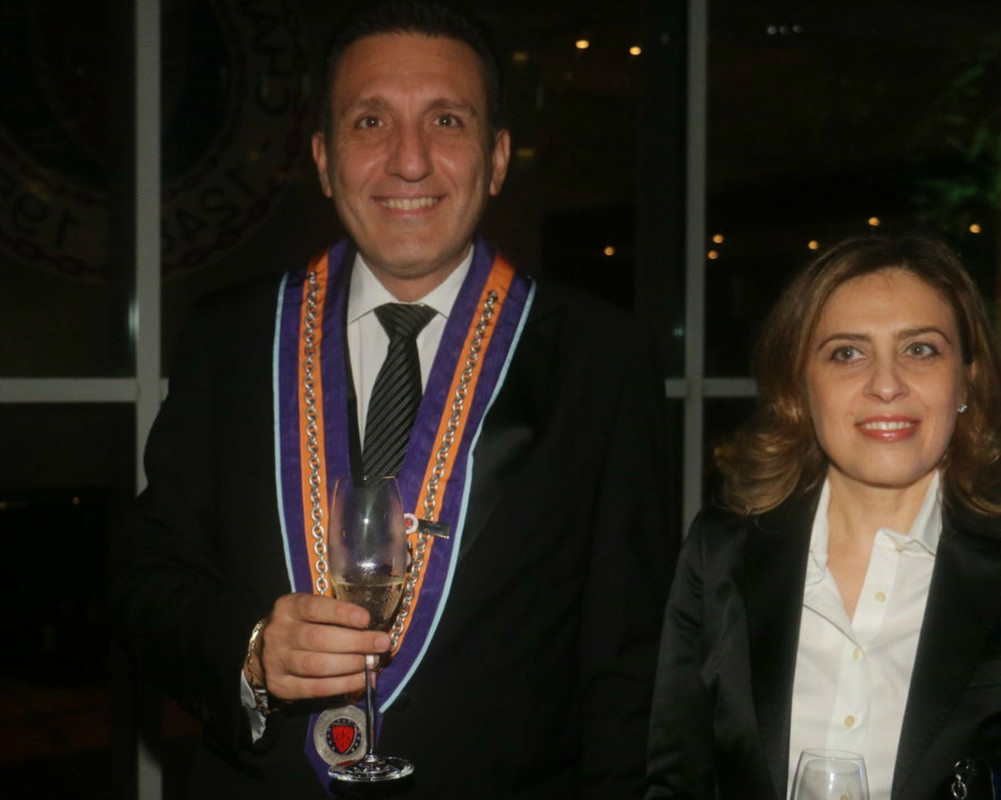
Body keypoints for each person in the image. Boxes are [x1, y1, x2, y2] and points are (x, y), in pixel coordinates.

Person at [115, 2, 675, 798]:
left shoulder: (601, 357)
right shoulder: (231, 337)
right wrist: (251, 652)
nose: (409, 161)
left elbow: (631, 662)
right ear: (323, 159)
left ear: (497, 158)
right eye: (370, 122)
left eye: (446, 120)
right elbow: (149, 574)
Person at [644, 233, 1001, 799]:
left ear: (965, 379)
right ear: (800, 384)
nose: (886, 385)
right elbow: (675, 783)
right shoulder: (720, 555)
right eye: (848, 353)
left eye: (920, 350)